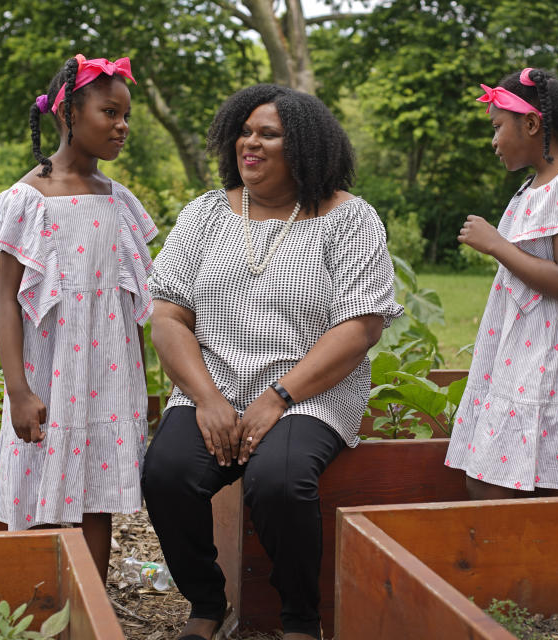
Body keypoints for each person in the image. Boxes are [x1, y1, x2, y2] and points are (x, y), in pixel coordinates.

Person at [142, 84, 403, 640]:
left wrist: (276, 398)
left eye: (268, 134)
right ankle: (206, 604)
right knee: (166, 474)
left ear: (304, 147)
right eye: (245, 131)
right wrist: (209, 399)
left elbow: (360, 328)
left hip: (311, 393)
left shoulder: (349, 219)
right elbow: (166, 315)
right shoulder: (207, 214)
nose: (250, 144)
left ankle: (299, 621)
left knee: (280, 481)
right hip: (213, 386)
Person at [0, 54, 157, 582]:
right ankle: (44, 609)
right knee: (44, 484)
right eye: (110, 112)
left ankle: (92, 613)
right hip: (51, 375)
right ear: (67, 115)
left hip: (107, 377)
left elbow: (129, 306)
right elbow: (7, 302)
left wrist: (141, 385)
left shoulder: (119, 201)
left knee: (95, 497)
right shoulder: (27, 202)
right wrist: (18, 390)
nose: (122, 126)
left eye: (126, 115)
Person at [443, 67, 558, 500]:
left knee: (501, 483)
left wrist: (495, 244)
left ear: (531, 124)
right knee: (485, 474)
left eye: (496, 127)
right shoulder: (535, 187)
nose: (493, 141)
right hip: (520, 357)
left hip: (551, 363)